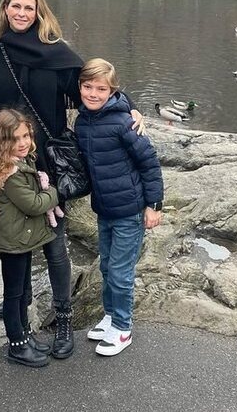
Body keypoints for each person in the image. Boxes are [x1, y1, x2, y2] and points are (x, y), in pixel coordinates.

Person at [0, 0, 144, 359]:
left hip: (48, 163)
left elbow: (92, 86)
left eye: (28, 8)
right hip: (7, 165)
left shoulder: (56, 53)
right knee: (13, 239)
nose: (21, 13)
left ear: (39, 13)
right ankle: (20, 304)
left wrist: (126, 106)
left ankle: (63, 319)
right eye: (14, 6)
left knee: (54, 245)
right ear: (4, 10)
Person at [75, 58, 163, 357]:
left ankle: (123, 327)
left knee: (120, 272)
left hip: (129, 209)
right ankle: (111, 315)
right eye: (88, 87)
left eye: (101, 89)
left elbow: (149, 163)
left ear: (113, 91)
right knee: (105, 266)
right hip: (104, 209)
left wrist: (153, 205)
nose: (93, 93)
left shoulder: (125, 122)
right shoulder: (82, 120)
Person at [0, 109, 59, 368]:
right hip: (12, 241)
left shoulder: (22, 162)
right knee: (14, 294)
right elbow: (34, 204)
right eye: (15, 138)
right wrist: (56, 193)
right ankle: (16, 344)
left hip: (20, 238)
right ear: (3, 142)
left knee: (24, 291)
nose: (23, 142)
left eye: (26, 135)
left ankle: (25, 334)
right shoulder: (10, 173)